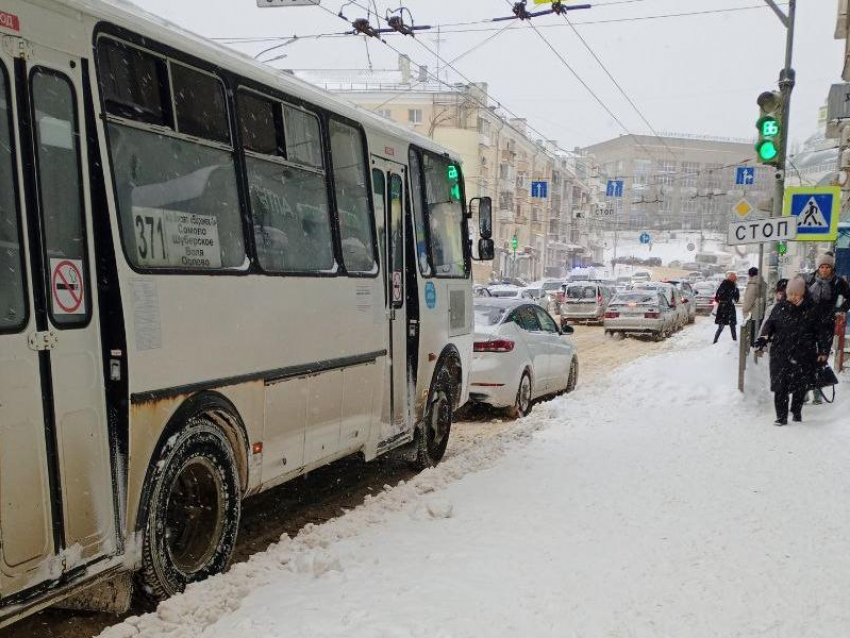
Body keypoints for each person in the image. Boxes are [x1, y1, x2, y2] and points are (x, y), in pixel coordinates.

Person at [755, 277, 824, 426]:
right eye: (790, 294)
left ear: (802, 294)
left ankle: (796, 410)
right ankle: (781, 416)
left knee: (800, 385)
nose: (792, 297)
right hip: (781, 352)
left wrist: (822, 350)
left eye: (796, 294)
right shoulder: (779, 307)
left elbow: (819, 332)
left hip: (803, 353)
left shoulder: (811, 309)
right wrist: (762, 339)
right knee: (780, 386)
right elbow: (769, 325)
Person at [803, 253, 850, 404]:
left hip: (826, 324)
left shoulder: (838, 282)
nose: (824, 270)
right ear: (818, 268)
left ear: (832, 268)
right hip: (808, 323)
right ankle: (804, 391)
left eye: (827, 267)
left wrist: (841, 308)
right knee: (806, 357)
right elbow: (797, 295)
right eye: (822, 267)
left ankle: (817, 391)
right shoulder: (809, 279)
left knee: (821, 357)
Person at [742, 266, 766, 346]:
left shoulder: (753, 285)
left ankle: (753, 350)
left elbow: (748, 300)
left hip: (754, 314)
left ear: (750, 275)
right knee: (759, 333)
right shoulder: (764, 283)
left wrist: (745, 310)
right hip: (762, 313)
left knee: (752, 336)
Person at [713, 272, 739, 343]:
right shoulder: (734, 287)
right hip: (729, 307)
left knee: (721, 327)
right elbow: (736, 299)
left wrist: (721, 301)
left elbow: (716, 297)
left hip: (722, 308)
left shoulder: (723, 285)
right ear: (734, 280)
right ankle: (734, 341)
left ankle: (715, 341)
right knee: (732, 325)